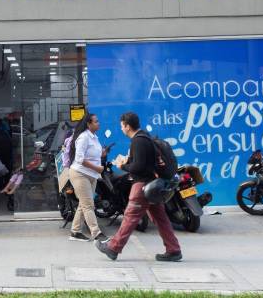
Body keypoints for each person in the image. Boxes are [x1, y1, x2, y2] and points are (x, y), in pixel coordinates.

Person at [95, 111, 181, 262]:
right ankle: (173, 249)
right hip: (151, 185)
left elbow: (139, 167)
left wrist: (124, 166)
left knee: (130, 217)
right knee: (161, 219)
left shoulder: (138, 140)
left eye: (122, 126)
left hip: (142, 185)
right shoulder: (144, 138)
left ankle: (113, 247)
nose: (121, 129)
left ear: (127, 126)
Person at [68, 113, 107, 242]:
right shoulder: (83, 137)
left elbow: (92, 155)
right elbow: (79, 159)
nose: (98, 123)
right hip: (80, 174)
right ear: (88, 124)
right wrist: (97, 168)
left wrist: (102, 153)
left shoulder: (94, 137)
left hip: (91, 175)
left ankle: (75, 231)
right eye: (96, 121)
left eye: (98, 121)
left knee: (83, 204)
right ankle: (96, 233)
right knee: (88, 205)